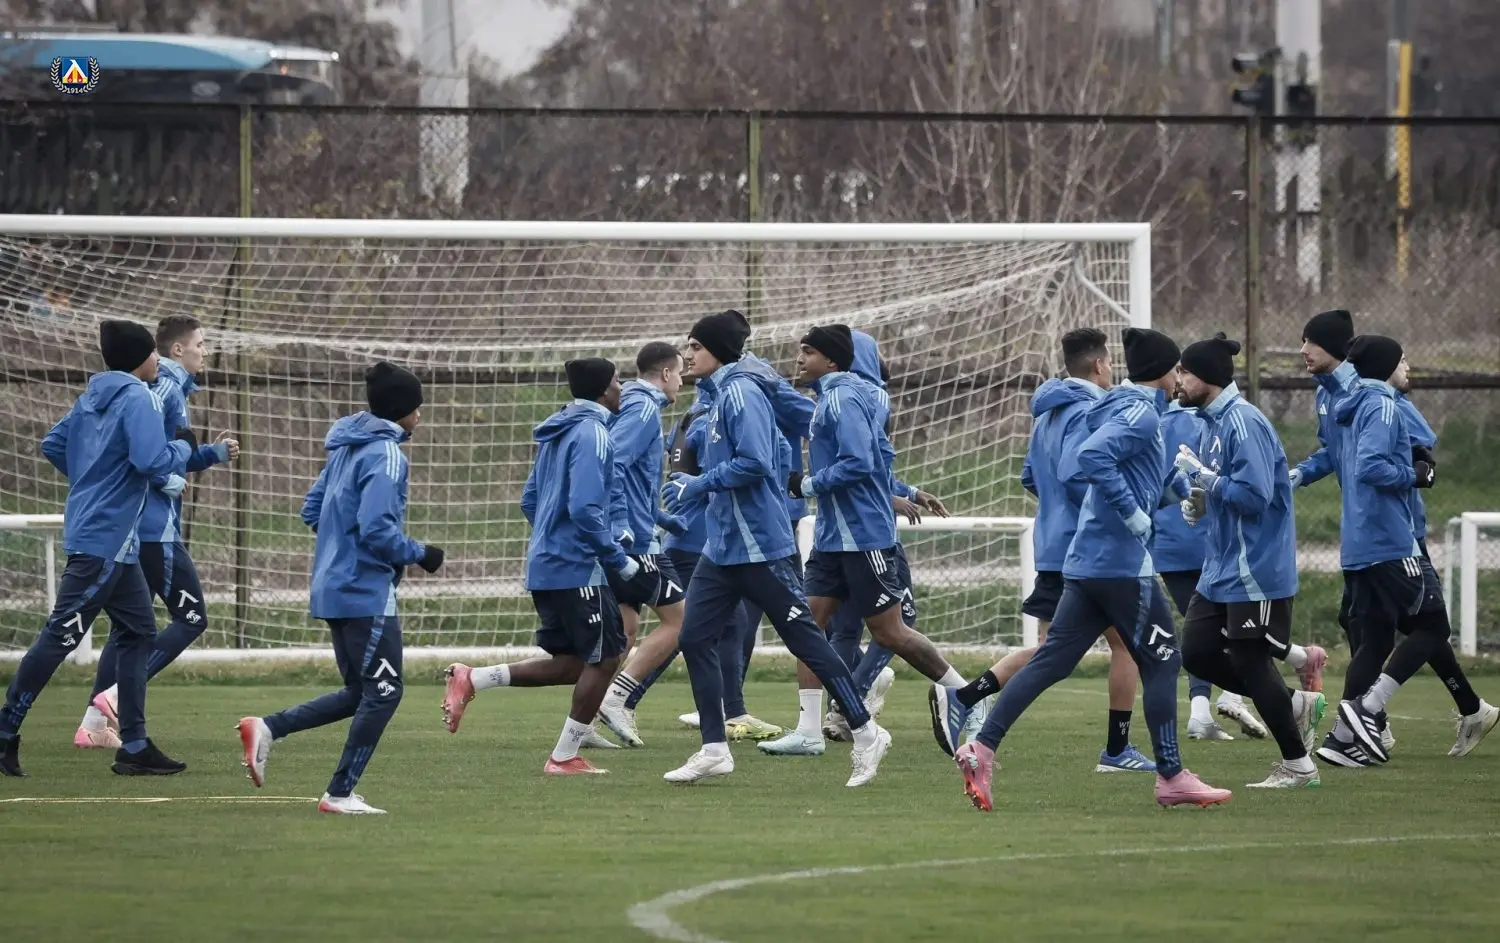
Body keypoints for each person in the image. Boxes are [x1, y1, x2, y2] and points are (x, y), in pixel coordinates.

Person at [953, 328, 1231, 811]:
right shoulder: (1142, 412)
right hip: (1120, 564)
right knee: (1164, 660)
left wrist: (1178, 492)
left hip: (1085, 561)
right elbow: (1091, 458)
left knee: (1052, 660)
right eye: (1177, 368)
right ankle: (1171, 775)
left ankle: (982, 747)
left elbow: (1129, 471)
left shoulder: (1118, 405)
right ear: (1162, 371)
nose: (1180, 377)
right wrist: (1132, 513)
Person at [659, 311, 891, 786]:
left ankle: (867, 732)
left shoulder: (741, 392)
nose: (687, 355)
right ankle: (714, 748)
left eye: (696, 347)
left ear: (718, 351)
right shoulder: (720, 394)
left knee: (804, 638)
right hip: (723, 547)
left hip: (758, 544)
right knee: (694, 638)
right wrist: (694, 490)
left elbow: (756, 463)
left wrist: (696, 485)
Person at [938, 328, 1153, 771]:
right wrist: (1106, 510)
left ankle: (964, 698)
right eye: (1110, 363)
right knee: (1123, 646)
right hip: (1087, 550)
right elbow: (1078, 474)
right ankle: (1116, 750)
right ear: (1100, 364)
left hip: (1053, 543)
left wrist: (1057, 510)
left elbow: (1030, 477)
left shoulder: (1048, 413)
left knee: (1052, 651)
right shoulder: (1090, 411)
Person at [236, 362, 442, 813]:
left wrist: (341, 547)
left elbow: (312, 511)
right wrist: (421, 553)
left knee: (361, 693)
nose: (421, 413)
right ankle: (340, 792)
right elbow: (378, 530)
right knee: (385, 692)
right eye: (417, 405)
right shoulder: (387, 454)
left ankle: (268, 727)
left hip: (333, 586)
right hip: (364, 591)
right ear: (403, 409)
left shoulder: (346, 449)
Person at [434, 359, 655, 774]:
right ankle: (564, 756)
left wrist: (553, 540)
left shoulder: (558, 431)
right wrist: (614, 558)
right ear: (603, 389)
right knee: (608, 658)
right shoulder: (594, 432)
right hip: (576, 567)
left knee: (573, 663)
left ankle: (473, 679)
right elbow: (585, 509)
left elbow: (530, 500)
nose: (622, 388)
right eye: (617, 381)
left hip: (547, 565)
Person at [0, 320, 193, 778]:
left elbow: (54, 444)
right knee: (60, 637)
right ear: (141, 357)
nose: (158, 360)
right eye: (153, 352)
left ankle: (135, 746)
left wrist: (94, 478)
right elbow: (151, 460)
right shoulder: (139, 397)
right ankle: (5, 730)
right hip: (104, 539)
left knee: (139, 631)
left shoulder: (91, 397)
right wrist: (183, 449)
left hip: (115, 543)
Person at [1318, 336, 1497, 766]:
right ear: (1386, 366)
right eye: (1402, 361)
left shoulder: (1348, 405)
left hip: (1359, 543)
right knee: (1434, 627)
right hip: (1389, 540)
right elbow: (1371, 467)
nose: (1408, 367)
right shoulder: (1383, 405)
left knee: (1375, 640)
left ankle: (1343, 739)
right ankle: (1368, 708)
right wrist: (1415, 475)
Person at [75, 315, 240, 749]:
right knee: (192, 618)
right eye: (200, 344)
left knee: (128, 631)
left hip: (141, 526)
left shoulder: (170, 388)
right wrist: (164, 478)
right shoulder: (165, 386)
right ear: (177, 350)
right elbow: (145, 457)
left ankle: (93, 724)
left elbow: (168, 454)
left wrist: (211, 454)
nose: (206, 351)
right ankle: (115, 696)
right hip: (153, 529)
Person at [1173, 334, 1326, 788]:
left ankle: (1299, 766)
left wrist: (1204, 478)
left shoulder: (1244, 423)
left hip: (1254, 568)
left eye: (1184, 372)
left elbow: (1255, 497)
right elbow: (1223, 489)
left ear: (1207, 378)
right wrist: (1198, 502)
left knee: (1250, 661)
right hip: (1220, 567)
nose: (1177, 380)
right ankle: (1295, 704)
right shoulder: (1209, 424)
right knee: (1197, 653)